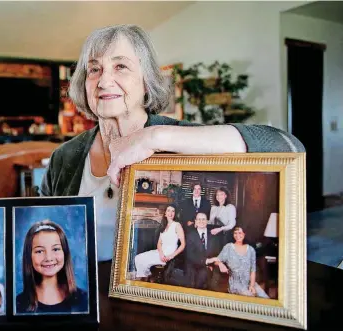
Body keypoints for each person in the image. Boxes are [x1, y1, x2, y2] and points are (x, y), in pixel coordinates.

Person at [39, 24, 305, 263]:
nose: (104, 81)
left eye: (120, 66)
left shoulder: (176, 138)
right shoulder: (65, 156)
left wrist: (154, 137)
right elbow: (48, 230)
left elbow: (288, 147)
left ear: (146, 81)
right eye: (94, 69)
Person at [16, 220, 88, 314]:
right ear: (29, 256)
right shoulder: (18, 304)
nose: (48, 258)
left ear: (64, 253)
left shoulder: (84, 300)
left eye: (55, 249)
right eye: (39, 251)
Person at [206, 226, 269, 298]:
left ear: (244, 234)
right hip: (235, 284)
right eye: (235, 233)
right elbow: (216, 260)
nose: (237, 235)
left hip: (250, 282)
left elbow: (253, 270)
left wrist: (252, 286)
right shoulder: (228, 247)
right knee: (251, 298)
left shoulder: (251, 250)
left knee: (265, 298)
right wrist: (220, 264)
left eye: (240, 233)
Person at [134, 204, 185, 281]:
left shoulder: (177, 225)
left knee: (144, 261)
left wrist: (171, 256)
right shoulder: (164, 225)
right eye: (168, 210)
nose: (170, 213)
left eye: (173, 211)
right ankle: (147, 278)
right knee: (138, 258)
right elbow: (159, 243)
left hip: (169, 254)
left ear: (175, 213)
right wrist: (161, 253)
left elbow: (183, 244)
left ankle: (144, 280)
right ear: (165, 213)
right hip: (160, 252)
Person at [184, 212, 225, 290]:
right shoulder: (190, 235)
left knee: (206, 274)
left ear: (207, 221)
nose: (201, 221)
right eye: (199, 219)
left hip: (210, 266)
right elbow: (190, 255)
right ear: (195, 221)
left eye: (203, 219)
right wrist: (207, 261)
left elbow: (217, 253)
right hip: (194, 265)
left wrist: (216, 263)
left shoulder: (214, 235)